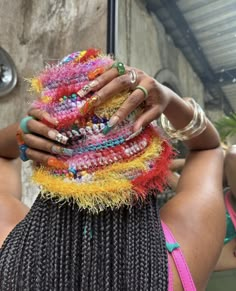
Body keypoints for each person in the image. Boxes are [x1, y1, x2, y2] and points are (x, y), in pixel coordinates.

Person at [0, 49, 225, 291]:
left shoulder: (7, 249)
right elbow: (209, 149)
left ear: (46, 160)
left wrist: (27, 131)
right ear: (150, 157)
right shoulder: (187, 254)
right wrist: (169, 99)